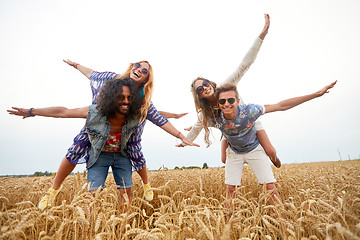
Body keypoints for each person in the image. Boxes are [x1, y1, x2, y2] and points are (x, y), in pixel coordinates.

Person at [17, 60, 191, 209]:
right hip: (98, 124)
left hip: (127, 132)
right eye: (137, 65)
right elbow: (90, 77)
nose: (139, 69)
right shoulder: (111, 80)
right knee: (76, 147)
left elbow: (158, 118)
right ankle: (53, 190)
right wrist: (76, 65)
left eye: (144, 70)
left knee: (135, 150)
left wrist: (180, 134)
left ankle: (146, 184)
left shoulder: (143, 100)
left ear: (147, 78)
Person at [213, 81, 337, 218]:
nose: (226, 104)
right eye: (222, 101)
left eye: (230, 100)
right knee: (230, 188)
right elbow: (198, 126)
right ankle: (227, 229)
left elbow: (281, 106)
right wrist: (186, 136)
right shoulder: (216, 118)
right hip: (234, 149)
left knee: (270, 183)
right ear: (218, 104)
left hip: (253, 145)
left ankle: (283, 225)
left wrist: (316, 94)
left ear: (237, 101)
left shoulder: (250, 110)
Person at [178, 14, 281, 168]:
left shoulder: (226, 87)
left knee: (270, 151)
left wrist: (262, 35)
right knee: (224, 160)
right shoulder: (204, 113)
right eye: (200, 89)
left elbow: (244, 65)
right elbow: (196, 129)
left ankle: (273, 159)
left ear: (210, 83)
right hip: (230, 132)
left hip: (248, 123)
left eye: (205, 83)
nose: (205, 87)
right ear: (199, 96)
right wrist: (184, 142)